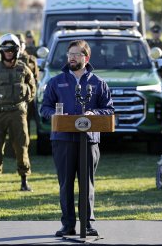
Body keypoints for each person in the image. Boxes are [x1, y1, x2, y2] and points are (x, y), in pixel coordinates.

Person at [40, 40, 114, 237]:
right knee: (66, 184)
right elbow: (44, 108)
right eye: (70, 54)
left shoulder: (98, 83)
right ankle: (68, 225)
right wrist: (56, 116)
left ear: (86, 58)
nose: (72, 58)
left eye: (76, 54)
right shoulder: (56, 81)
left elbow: (109, 110)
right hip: (62, 140)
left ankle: (87, 224)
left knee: (86, 183)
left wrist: (93, 113)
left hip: (89, 141)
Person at [0, 33, 36, 193]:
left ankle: (24, 180)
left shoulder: (23, 68)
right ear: (1, 51)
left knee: (22, 147)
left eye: (11, 49)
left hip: (18, 114)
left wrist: (24, 103)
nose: (8, 52)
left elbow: (32, 88)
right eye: (5, 49)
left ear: (17, 50)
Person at [16, 33, 39, 133]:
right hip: (12, 97)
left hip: (26, 97)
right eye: (17, 44)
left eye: (21, 43)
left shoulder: (31, 59)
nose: (20, 46)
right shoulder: (8, 59)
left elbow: (36, 79)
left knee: (26, 123)